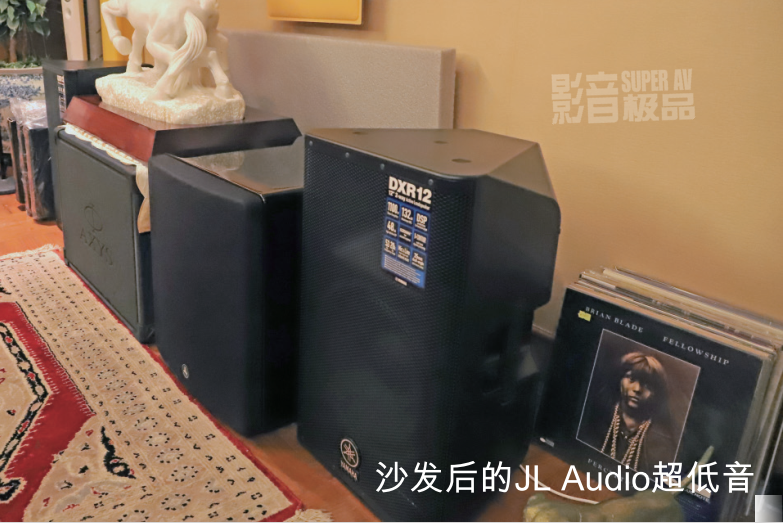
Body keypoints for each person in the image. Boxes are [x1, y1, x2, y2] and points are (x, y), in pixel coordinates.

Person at [580, 351, 677, 474]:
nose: (637, 389)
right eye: (632, 379)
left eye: (648, 385)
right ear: (620, 379)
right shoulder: (595, 419)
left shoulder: (661, 443)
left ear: (656, 393)